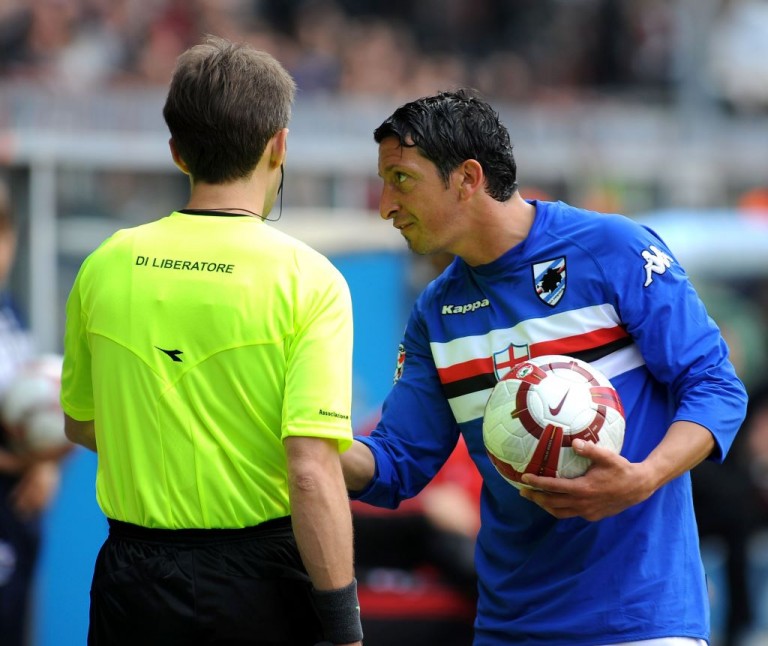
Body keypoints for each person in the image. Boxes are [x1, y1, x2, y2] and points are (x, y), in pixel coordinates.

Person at [341, 89, 748, 646]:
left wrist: (643, 478)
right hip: (509, 627)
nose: (386, 204)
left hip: (641, 620)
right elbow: (396, 462)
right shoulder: (436, 313)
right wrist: (303, 441)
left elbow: (716, 386)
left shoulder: (612, 249)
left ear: (467, 178)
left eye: (402, 179)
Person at [60, 35, 362, 646]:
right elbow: (311, 472)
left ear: (177, 151)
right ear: (279, 145)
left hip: (131, 580)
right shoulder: (310, 280)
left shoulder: (105, 264)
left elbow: (82, 425)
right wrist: (344, 628)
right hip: (261, 583)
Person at [0, 178, 72, 646]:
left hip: (17, 517)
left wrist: (46, 463)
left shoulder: (11, 313)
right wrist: (25, 462)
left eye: (3, 233)